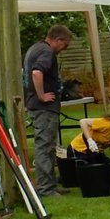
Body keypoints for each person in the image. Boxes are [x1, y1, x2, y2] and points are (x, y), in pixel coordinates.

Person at [23, 23, 73, 197]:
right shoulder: (46, 52)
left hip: (36, 106)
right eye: (65, 45)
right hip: (43, 108)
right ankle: (46, 188)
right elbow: (36, 72)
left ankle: (50, 185)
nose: (64, 49)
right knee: (45, 146)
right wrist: (42, 95)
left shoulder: (35, 48)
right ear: (57, 39)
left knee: (49, 146)